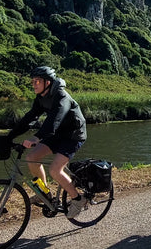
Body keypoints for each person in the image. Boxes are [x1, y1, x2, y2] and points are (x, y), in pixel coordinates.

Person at [8, 66, 90, 218]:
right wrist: (9, 136)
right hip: (57, 134)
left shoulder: (61, 97)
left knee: (55, 169)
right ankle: (44, 193)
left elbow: (55, 120)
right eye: (32, 81)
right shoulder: (42, 98)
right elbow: (29, 118)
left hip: (73, 135)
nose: (34, 84)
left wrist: (37, 137)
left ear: (48, 82)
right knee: (32, 158)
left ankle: (78, 199)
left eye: (37, 81)